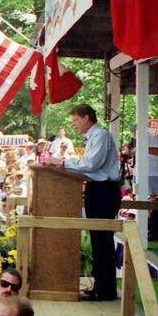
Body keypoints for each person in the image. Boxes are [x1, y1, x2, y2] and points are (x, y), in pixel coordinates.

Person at [46, 104, 120, 301]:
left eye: (76, 121)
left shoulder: (101, 136)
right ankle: (100, 285)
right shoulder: (93, 137)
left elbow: (90, 165)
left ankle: (106, 290)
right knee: (97, 240)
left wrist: (62, 163)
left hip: (105, 190)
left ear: (87, 117)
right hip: (96, 189)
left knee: (102, 239)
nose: (74, 125)